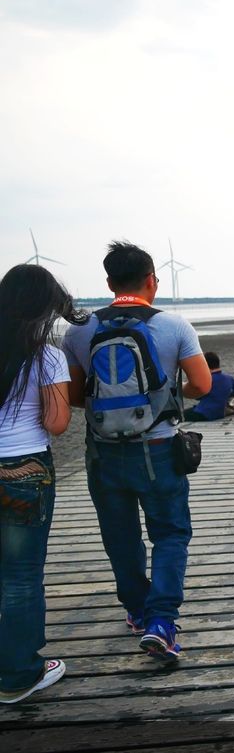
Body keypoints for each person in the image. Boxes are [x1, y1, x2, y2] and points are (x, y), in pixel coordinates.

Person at [63, 241, 213, 661]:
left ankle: (135, 609)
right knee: (169, 533)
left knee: (120, 534)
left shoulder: (78, 331)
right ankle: (161, 622)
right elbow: (202, 386)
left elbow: (76, 396)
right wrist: (163, 397)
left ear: (109, 283)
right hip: (160, 448)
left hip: (103, 452)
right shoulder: (175, 326)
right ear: (152, 281)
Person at [0, 265, 86, 703]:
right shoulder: (44, 355)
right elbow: (56, 423)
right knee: (19, 575)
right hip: (24, 470)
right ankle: (18, 675)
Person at [183, 352, 234, 421]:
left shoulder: (208, 379)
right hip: (219, 414)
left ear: (205, 365)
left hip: (203, 413)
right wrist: (225, 395)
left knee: (178, 415)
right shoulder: (228, 378)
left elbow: (198, 397)